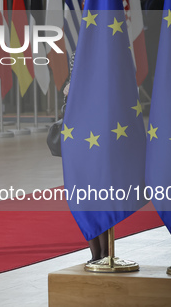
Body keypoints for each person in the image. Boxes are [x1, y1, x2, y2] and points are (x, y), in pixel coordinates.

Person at [62, 52, 107, 263]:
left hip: (100, 138)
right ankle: (95, 253)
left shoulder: (107, 59)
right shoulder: (77, 56)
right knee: (83, 197)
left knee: (101, 195)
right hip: (77, 139)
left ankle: (106, 253)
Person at [141, 0, 164, 100]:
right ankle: (151, 99)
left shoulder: (162, 3)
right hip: (143, 44)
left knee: (156, 71)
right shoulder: (142, 3)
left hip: (156, 42)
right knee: (145, 71)